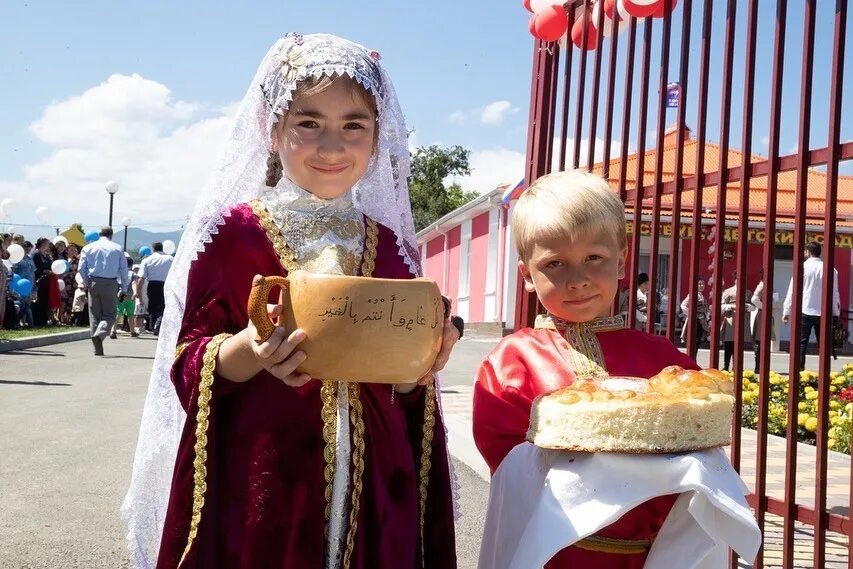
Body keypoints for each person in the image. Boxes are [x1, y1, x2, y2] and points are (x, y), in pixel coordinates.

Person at [122, 34, 460, 569]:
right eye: (309, 123)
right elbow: (188, 363)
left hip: (378, 483)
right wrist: (249, 350)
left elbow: (406, 387)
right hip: (269, 477)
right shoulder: (234, 235)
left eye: (354, 125)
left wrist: (421, 359)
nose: (333, 146)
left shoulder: (391, 245)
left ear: (378, 137)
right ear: (273, 129)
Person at [473, 170, 699, 568]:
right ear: (527, 275)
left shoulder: (665, 361)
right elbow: (509, 465)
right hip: (550, 550)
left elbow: (697, 444)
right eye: (555, 264)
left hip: (649, 554)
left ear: (622, 261)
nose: (577, 280)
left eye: (594, 258)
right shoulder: (512, 363)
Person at [783, 241, 841, 370]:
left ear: (808, 252)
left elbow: (792, 290)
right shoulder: (831, 269)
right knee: (823, 344)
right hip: (824, 312)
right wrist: (836, 313)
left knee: (802, 342)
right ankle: (823, 373)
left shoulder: (801, 267)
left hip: (805, 309)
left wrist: (787, 311)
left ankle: (799, 370)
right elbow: (834, 293)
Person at [78, 227, 129, 355]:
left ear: (99, 234)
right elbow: (124, 270)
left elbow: (81, 268)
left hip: (94, 281)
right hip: (111, 282)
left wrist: (87, 281)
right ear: (111, 235)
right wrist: (124, 288)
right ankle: (100, 335)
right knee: (110, 314)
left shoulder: (88, 247)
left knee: (94, 315)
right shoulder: (117, 248)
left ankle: (97, 348)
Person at [135, 242, 172, 336]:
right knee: (164, 306)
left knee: (152, 306)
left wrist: (138, 290)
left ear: (152, 249)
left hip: (152, 284)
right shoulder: (170, 259)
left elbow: (141, 278)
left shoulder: (147, 260)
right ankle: (159, 324)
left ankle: (153, 325)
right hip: (166, 284)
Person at [719, 276, 755, 372]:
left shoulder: (748, 293)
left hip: (743, 320)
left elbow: (753, 307)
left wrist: (747, 306)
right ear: (735, 280)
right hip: (731, 319)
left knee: (739, 346)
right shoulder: (728, 291)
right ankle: (726, 366)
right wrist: (731, 306)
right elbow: (721, 305)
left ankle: (737, 367)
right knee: (728, 345)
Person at [750, 272, 775, 374]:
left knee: (762, 342)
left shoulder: (766, 285)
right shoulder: (762, 285)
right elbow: (754, 299)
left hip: (764, 314)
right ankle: (758, 367)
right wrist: (764, 307)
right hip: (761, 315)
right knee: (760, 342)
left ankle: (760, 366)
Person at [680, 278, 710, 359]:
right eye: (699, 284)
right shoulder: (692, 294)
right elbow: (683, 305)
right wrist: (692, 315)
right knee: (693, 342)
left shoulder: (703, 297)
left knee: (697, 342)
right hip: (694, 322)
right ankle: (691, 360)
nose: (701, 286)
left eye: (703, 284)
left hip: (701, 321)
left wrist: (706, 317)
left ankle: (693, 360)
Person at [111, 255, 136, 339]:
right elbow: (134, 284)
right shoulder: (133, 274)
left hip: (121, 295)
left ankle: (113, 331)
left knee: (118, 312)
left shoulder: (119, 273)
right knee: (130, 314)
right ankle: (132, 331)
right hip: (130, 295)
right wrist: (135, 292)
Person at [31, 238, 52, 326]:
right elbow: (35, 268)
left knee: (45, 301)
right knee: (39, 301)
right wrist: (45, 271)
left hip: (47, 281)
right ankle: (37, 321)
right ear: (42, 243)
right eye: (47, 243)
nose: (48, 245)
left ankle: (44, 320)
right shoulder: (36, 254)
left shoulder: (46, 255)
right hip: (39, 281)